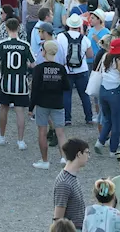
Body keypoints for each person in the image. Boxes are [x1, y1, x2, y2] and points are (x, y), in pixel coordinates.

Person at [0, 17, 34, 151]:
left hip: (5, 83)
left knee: (3, 108)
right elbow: (33, 64)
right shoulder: (25, 45)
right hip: (21, 84)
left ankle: (2, 136)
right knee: (20, 111)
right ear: (19, 28)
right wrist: (26, 64)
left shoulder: (2, 44)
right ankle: (20, 140)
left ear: (6, 28)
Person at [32, 40, 71, 170]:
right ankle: (64, 158)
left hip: (42, 103)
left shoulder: (38, 69)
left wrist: (31, 107)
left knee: (42, 132)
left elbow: (35, 89)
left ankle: (45, 161)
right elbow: (67, 86)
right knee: (61, 133)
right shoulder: (61, 68)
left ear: (44, 52)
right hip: (58, 102)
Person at [53, 138, 91, 230]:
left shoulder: (72, 178)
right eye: (87, 152)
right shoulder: (64, 183)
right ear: (79, 154)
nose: (89, 156)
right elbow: (58, 218)